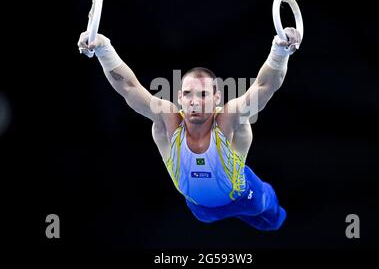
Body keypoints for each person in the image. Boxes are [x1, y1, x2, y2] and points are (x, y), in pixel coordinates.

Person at [77, 27, 301, 231]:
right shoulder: (168, 123)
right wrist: (102, 48)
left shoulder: (230, 119)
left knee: (271, 219)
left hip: (245, 197)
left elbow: (265, 86)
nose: (194, 101)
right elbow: (129, 87)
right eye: (188, 94)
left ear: (216, 98)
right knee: (224, 216)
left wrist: (280, 50)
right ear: (179, 98)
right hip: (201, 210)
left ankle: (278, 219)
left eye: (203, 94)